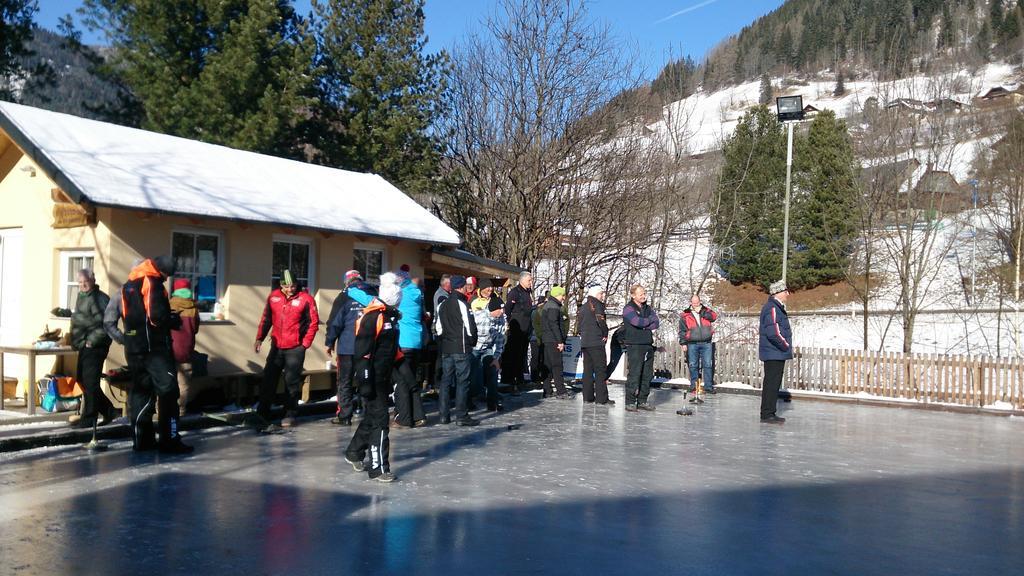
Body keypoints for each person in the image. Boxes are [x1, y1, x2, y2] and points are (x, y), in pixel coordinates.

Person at [120, 256, 192, 453]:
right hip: (155, 350)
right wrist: (172, 320)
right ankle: (170, 440)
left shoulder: (128, 284)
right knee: (169, 393)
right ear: (162, 272)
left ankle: (142, 441)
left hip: (134, 348)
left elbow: (128, 317)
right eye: (166, 275)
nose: (166, 279)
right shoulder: (153, 283)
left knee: (141, 394)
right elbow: (156, 318)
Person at [344, 273, 403, 482]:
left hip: (384, 375)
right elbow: (363, 354)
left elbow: (392, 351)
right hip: (372, 377)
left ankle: (353, 452)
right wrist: (365, 380)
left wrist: (400, 371)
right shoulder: (373, 317)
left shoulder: (390, 316)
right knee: (380, 421)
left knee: (372, 417)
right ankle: (378, 467)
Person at [254, 270, 319, 431]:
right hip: (277, 346)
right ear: (280, 285)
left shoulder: (306, 299)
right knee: (269, 378)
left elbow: (313, 323)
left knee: (291, 381)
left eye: (293, 285)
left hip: (295, 347)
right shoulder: (273, 297)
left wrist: (304, 344)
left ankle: (289, 412)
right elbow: (266, 318)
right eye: (286, 286)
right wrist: (259, 338)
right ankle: (263, 411)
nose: (290, 289)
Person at [326, 270, 375, 426]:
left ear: (347, 282)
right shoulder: (373, 293)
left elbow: (335, 322)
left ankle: (345, 415)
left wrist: (329, 341)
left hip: (347, 347)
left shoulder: (343, 296)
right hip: (368, 346)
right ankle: (369, 413)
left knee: (344, 382)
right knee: (367, 379)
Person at [69, 269, 116, 428]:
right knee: (83, 380)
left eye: (85, 282)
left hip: (95, 346)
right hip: (84, 345)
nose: (82, 285)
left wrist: (91, 341)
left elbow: (105, 324)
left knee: (91, 382)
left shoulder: (99, 298)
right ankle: (108, 410)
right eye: (80, 283)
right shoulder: (82, 297)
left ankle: (90, 417)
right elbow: (81, 320)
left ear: (93, 280)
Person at [436, 275, 479, 426]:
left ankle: (443, 415)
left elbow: (438, 328)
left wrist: (445, 340)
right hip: (461, 347)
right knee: (462, 381)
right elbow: (470, 327)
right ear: (462, 287)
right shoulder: (462, 303)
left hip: (446, 347)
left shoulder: (442, 304)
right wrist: (472, 341)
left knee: (446, 381)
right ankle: (461, 415)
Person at [392, 265, 427, 428]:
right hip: (416, 342)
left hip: (402, 343)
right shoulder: (417, 294)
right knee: (411, 379)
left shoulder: (400, 296)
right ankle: (418, 415)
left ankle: (404, 418)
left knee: (402, 382)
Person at [622, 284, 659, 412]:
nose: (643, 296)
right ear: (633, 295)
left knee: (647, 374)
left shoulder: (648, 308)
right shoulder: (628, 308)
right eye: (640, 294)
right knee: (635, 373)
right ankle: (630, 402)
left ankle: (642, 400)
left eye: (644, 293)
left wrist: (645, 324)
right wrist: (647, 321)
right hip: (635, 344)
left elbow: (656, 323)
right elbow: (636, 322)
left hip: (647, 344)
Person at [759, 280, 792, 424]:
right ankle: (767, 413)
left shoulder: (776, 307)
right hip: (774, 352)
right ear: (778, 293)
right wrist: (785, 346)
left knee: (773, 383)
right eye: (785, 292)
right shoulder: (772, 308)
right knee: (772, 383)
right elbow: (773, 333)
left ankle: (768, 412)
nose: (788, 294)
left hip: (775, 352)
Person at [471, 281, 505, 412]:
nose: (501, 312)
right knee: (473, 376)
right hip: (475, 347)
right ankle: (469, 400)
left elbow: (500, 338)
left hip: (488, 348)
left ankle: (493, 403)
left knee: (492, 372)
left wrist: (496, 358)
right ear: (492, 310)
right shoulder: (478, 316)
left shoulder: (501, 318)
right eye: (499, 310)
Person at [170, 278, 202, 416]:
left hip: (168, 350)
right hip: (186, 351)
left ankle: (163, 411)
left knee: (166, 383)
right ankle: (180, 410)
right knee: (183, 384)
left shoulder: (168, 305)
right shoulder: (193, 309)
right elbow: (195, 329)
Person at [578, 285, 613, 406]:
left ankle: (587, 397)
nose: (603, 296)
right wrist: (605, 332)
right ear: (596, 294)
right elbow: (600, 320)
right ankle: (601, 398)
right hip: (596, 343)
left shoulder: (583, 307)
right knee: (600, 370)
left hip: (585, 343)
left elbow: (579, 326)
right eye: (601, 293)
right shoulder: (597, 305)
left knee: (587, 370)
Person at [679, 294, 718, 394]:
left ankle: (708, 386)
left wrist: (702, 312)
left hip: (706, 342)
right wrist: (683, 343)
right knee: (693, 365)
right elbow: (682, 330)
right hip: (692, 343)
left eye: (697, 302)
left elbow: (714, 317)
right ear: (690, 303)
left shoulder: (706, 310)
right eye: (694, 302)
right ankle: (694, 386)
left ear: (700, 301)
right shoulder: (685, 314)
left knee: (708, 364)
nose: (695, 304)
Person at [503, 272, 534, 394]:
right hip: (517, 328)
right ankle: (511, 378)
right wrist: (509, 323)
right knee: (513, 354)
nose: (531, 282)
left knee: (522, 354)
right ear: (522, 280)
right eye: (529, 280)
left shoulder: (528, 292)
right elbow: (508, 309)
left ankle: (520, 377)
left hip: (526, 328)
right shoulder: (515, 292)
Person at [541, 285, 570, 399]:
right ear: (558, 295)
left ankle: (547, 390)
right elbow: (554, 324)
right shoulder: (554, 307)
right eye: (563, 295)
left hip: (547, 339)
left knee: (548, 365)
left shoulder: (547, 305)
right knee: (557, 365)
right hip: (553, 340)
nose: (564, 298)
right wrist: (560, 341)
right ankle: (561, 391)